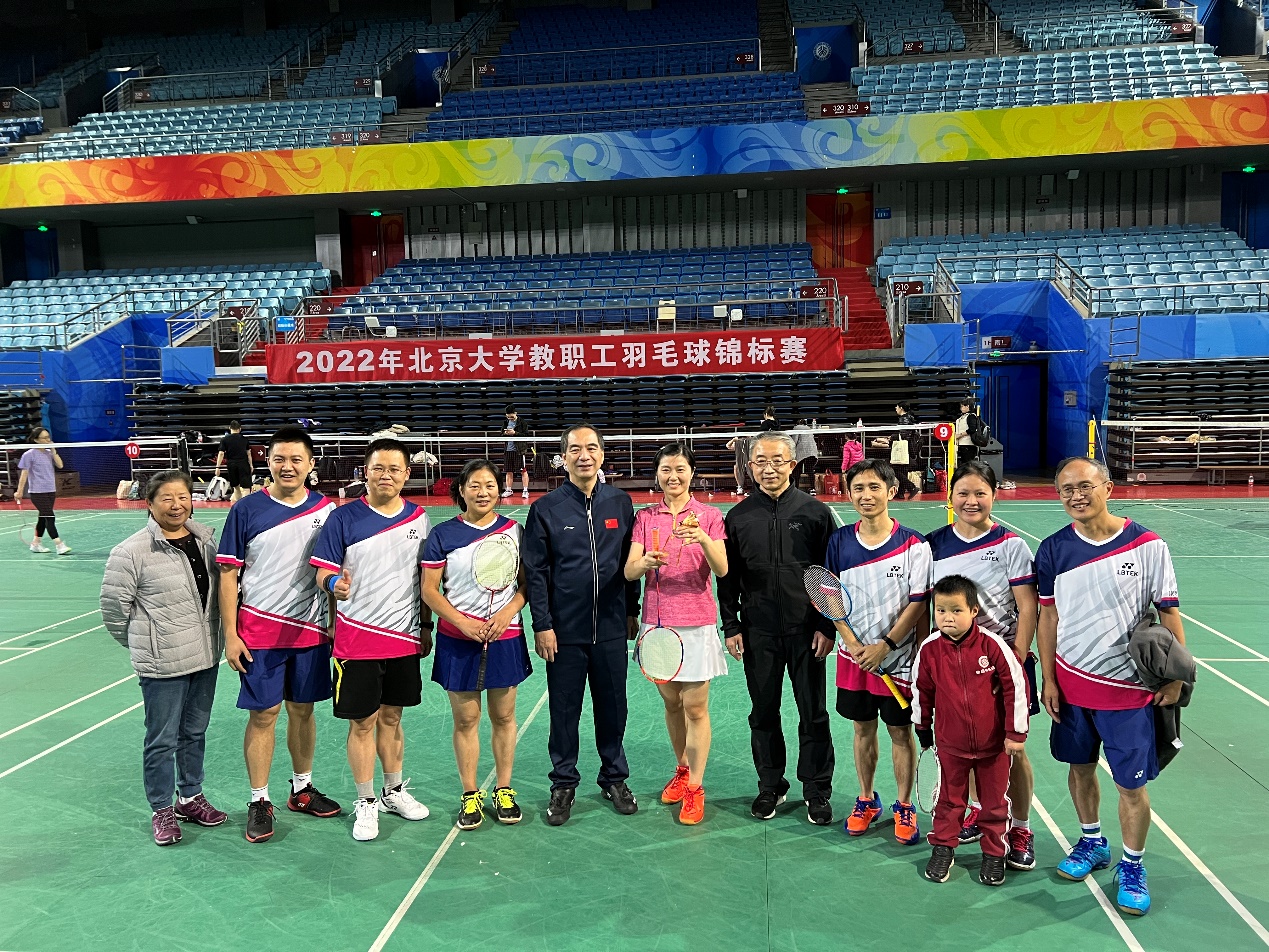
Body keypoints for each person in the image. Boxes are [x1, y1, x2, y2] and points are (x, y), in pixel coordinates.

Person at [1037, 456, 1184, 916]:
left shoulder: (1148, 545)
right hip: (1071, 685)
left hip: (1128, 690)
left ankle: (1133, 865)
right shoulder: (1052, 549)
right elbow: (1048, 616)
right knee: (1079, 768)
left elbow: (1169, 612)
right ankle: (1092, 841)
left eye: (1084, 486)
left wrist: (1176, 676)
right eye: (1066, 489)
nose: (1076, 496)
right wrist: (1049, 678)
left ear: (1108, 487)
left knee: (1130, 787)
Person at [216, 426, 341, 844]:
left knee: (303, 711)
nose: (287, 466)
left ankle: (302, 789)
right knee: (264, 715)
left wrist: (335, 623)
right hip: (259, 633)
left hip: (310, 631)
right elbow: (228, 574)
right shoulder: (246, 509)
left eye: (296, 459)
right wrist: (231, 634)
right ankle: (259, 800)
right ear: (267, 462)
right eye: (279, 459)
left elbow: (333, 571)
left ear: (311, 464)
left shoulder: (327, 510)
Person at [311, 437, 434, 842]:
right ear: (365, 472)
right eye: (378, 468)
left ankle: (393, 792)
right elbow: (323, 573)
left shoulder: (420, 519)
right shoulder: (342, 518)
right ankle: (365, 801)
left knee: (393, 718)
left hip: (403, 637)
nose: (386, 475)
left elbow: (425, 580)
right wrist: (334, 584)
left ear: (407, 474)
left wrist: (426, 627)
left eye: (394, 469)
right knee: (362, 722)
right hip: (357, 639)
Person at [521, 424, 640, 827]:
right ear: (563, 457)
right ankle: (564, 782)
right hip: (564, 632)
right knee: (564, 710)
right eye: (575, 449)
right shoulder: (546, 508)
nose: (583, 455)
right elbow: (536, 572)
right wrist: (542, 624)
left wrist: (631, 610)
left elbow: (630, 562)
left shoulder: (620, 503)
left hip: (611, 628)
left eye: (591, 448)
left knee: (614, 708)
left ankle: (614, 778)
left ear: (602, 454)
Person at [100, 470, 227, 846]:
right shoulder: (130, 552)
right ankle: (161, 810)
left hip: (205, 656)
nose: (176, 505)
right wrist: (149, 645)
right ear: (150, 504)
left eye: (183, 497)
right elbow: (113, 611)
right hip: (163, 665)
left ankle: (190, 797)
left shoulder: (206, 540)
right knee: (162, 740)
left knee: (194, 733)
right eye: (167, 498)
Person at [718, 431, 837, 825]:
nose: (768, 469)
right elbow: (728, 578)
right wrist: (732, 625)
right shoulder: (738, 518)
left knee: (813, 713)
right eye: (760, 462)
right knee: (763, 713)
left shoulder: (816, 513)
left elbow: (828, 575)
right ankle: (771, 784)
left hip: (807, 633)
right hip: (759, 633)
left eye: (777, 461)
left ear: (792, 464)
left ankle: (816, 789)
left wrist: (826, 626)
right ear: (750, 467)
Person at [927, 459, 1039, 870]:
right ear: (950, 496)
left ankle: (1021, 827)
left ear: (994, 495)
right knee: (969, 749)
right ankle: (979, 810)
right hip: (955, 667)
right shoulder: (932, 545)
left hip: (1002, 663)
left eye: (980, 493)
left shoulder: (1011, 545)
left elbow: (1028, 607)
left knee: (1012, 750)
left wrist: (1016, 660)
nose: (971, 501)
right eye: (963, 493)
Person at [422, 459, 532, 830]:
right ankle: (470, 793)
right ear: (461, 490)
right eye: (474, 485)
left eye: (489, 485)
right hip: (458, 639)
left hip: (505, 635)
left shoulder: (515, 531)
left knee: (504, 716)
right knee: (466, 719)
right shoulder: (443, 534)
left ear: (499, 490)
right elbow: (429, 590)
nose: (483, 492)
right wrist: (462, 622)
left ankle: (504, 788)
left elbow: (526, 585)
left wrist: (508, 612)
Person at [826, 458, 931, 846]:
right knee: (861, 728)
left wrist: (885, 646)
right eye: (858, 488)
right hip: (854, 658)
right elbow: (829, 596)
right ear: (849, 494)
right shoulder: (839, 541)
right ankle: (866, 799)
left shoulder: (914, 545)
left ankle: (904, 805)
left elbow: (919, 603)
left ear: (891, 491)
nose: (866, 495)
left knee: (900, 732)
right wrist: (854, 644)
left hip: (898, 661)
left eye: (874, 487)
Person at [624, 443, 728, 825]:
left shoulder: (710, 516)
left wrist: (702, 539)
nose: (673, 476)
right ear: (657, 475)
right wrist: (645, 562)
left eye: (680, 469)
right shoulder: (645, 517)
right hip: (658, 625)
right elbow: (629, 572)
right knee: (671, 704)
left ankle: (696, 787)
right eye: (666, 469)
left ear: (692, 473)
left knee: (695, 707)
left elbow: (722, 569)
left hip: (696, 622)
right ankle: (682, 769)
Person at [912, 575, 1029, 887]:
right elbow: (921, 692)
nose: (947, 618)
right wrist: (922, 728)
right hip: (950, 745)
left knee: (994, 804)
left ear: (974, 611)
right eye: (940, 611)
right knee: (949, 802)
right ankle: (943, 847)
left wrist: (1015, 733)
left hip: (994, 747)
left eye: (956, 610)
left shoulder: (994, 646)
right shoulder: (929, 650)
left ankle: (993, 853)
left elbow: (1015, 687)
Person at [15, 426, 71, 555]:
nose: (48, 440)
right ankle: (59, 545)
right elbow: (24, 474)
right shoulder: (29, 455)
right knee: (50, 517)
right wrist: (19, 491)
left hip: (50, 490)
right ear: (36, 440)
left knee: (43, 517)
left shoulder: (49, 453)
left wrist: (53, 450)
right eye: (44, 438)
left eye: (48, 437)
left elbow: (60, 465)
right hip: (37, 492)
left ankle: (36, 543)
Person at [872, 402, 921, 500]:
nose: (896, 408)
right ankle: (901, 493)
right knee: (903, 469)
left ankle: (911, 487)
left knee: (894, 468)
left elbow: (903, 434)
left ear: (901, 408)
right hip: (907, 448)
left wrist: (891, 438)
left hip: (902, 448)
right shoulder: (909, 418)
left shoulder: (904, 419)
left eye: (897, 407)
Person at [214, 420, 253, 503]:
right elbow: (248, 453)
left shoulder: (224, 439)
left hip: (231, 464)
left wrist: (217, 467)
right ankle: (245, 506)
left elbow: (221, 453)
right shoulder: (244, 439)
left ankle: (239, 505)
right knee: (246, 488)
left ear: (230, 428)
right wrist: (251, 465)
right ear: (240, 429)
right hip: (243, 464)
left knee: (236, 487)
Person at [500, 406, 530, 500]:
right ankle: (509, 490)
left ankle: (525, 490)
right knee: (508, 471)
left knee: (523, 471)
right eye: (508, 417)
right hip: (508, 450)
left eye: (511, 416)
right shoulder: (505, 423)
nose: (510, 418)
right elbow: (501, 435)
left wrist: (515, 433)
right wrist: (505, 434)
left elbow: (526, 435)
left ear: (515, 413)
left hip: (519, 451)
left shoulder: (522, 422)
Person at [791, 420, 820, 494]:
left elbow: (794, 441)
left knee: (797, 471)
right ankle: (813, 489)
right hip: (812, 451)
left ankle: (795, 488)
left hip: (802, 452)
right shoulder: (809, 428)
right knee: (810, 470)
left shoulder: (796, 428)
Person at [953, 400, 980, 468]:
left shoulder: (971, 416)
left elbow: (972, 429)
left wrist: (960, 435)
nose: (961, 408)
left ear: (967, 406)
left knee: (968, 464)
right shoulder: (964, 416)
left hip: (968, 444)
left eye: (962, 406)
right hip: (963, 443)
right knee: (965, 464)